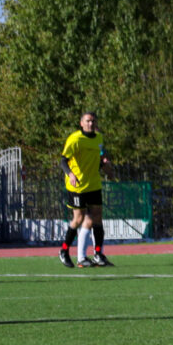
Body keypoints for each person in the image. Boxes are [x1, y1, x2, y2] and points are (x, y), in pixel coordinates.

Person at [58, 111, 112, 268]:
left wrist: (105, 162)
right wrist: (70, 174)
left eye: (93, 121)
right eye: (87, 121)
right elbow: (63, 161)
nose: (91, 123)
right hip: (78, 185)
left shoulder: (99, 138)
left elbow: (101, 155)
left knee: (97, 217)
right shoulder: (75, 139)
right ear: (81, 123)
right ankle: (64, 250)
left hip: (93, 183)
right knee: (78, 218)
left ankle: (98, 254)